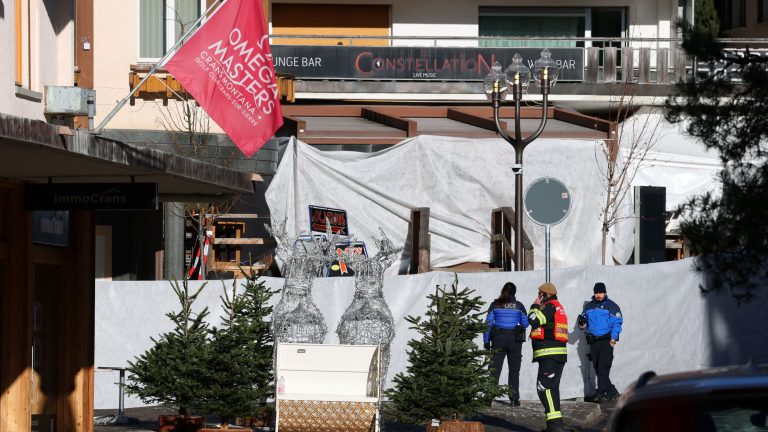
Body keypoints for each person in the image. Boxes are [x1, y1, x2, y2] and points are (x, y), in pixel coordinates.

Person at [528, 282, 568, 432]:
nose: (538, 297)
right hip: (556, 354)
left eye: (540, 294)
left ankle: (556, 427)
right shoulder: (557, 306)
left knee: (544, 389)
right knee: (552, 390)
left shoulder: (549, 306)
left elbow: (533, 320)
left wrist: (534, 306)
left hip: (549, 354)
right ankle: (554, 426)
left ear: (547, 294)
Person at [484, 282, 529, 406]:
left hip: (498, 338)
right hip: (514, 339)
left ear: (503, 290)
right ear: (515, 292)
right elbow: (525, 324)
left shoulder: (495, 304)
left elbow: (487, 324)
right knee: (514, 370)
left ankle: (488, 398)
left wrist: (486, 340)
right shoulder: (519, 306)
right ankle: (514, 399)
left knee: (494, 369)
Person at [577, 282, 623, 402]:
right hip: (593, 342)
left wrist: (613, 339)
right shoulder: (589, 306)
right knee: (598, 368)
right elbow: (584, 324)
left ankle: (600, 393)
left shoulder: (611, 306)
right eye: (596, 293)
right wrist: (582, 324)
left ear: (605, 292)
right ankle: (612, 391)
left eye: (600, 293)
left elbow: (617, 323)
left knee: (603, 367)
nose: (598, 295)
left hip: (606, 341)